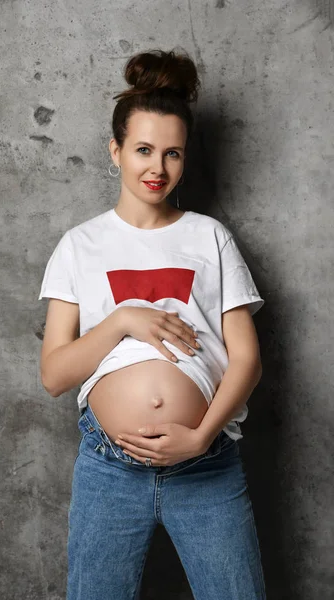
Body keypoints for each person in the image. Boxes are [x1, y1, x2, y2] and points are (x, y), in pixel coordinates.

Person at [38, 48, 267, 600]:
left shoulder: (210, 237)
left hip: (206, 464)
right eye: (142, 150)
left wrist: (200, 437)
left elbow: (248, 360)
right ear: (114, 152)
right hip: (109, 472)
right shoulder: (79, 246)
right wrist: (122, 321)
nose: (157, 169)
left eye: (172, 154)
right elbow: (53, 374)